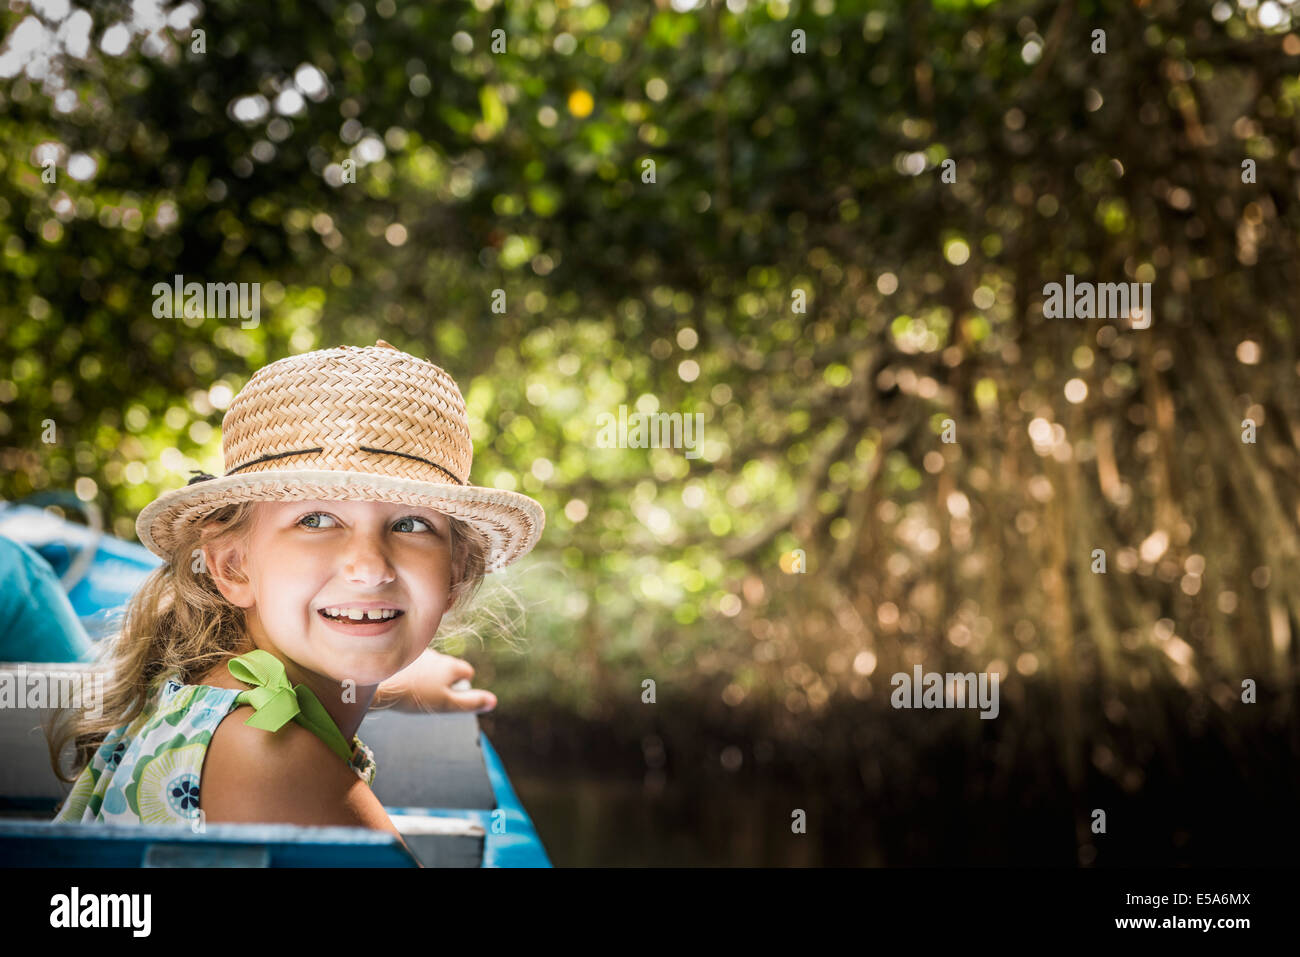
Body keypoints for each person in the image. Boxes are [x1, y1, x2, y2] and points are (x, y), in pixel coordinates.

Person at [47, 341, 545, 852]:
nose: (370, 567)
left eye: (410, 523)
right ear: (232, 566)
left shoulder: (212, 691)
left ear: (455, 574)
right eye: (316, 520)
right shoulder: (272, 757)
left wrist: (398, 685)